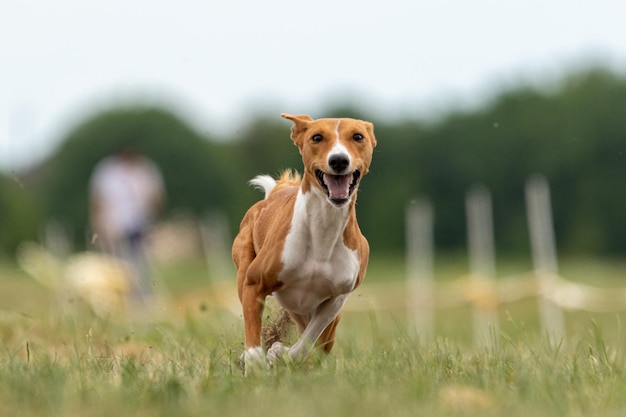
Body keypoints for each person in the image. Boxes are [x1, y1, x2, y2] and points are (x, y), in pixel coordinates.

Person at [89, 146, 165, 302]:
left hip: (139, 225)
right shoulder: (107, 172)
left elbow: (157, 198)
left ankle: (142, 298)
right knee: (117, 265)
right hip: (113, 226)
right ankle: (119, 299)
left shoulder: (145, 170)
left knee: (139, 263)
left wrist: (153, 218)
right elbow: (98, 201)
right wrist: (98, 225)